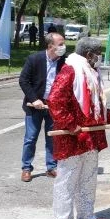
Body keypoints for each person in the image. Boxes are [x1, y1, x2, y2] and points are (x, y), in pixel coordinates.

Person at [48, 37, 110, 219]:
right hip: (72, 137)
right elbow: (55, 100)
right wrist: (70, 124)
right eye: (98, 53)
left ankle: (86, 215)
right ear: (89, 54)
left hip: (91, 136)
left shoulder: (92, 72)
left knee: (88, 178)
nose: (99, 57)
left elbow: (96, 104)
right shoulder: (70, 70)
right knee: (67, 179)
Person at [18, 32, 67, 182]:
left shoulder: (64, 62)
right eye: (60, 44)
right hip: (34, 106)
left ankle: (51, 167)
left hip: (53, 107)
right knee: (30, 138)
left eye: (63, 44)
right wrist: (34, 99)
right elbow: (24, 80)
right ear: (50, 46)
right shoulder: (34, 59)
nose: (63, 47)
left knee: (52, 138)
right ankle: (26, 168)